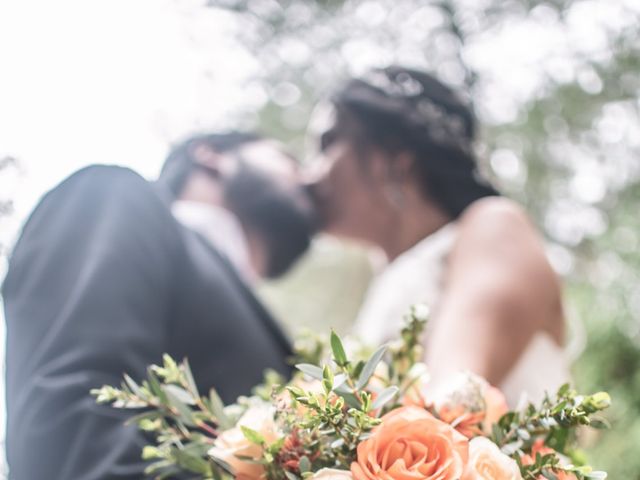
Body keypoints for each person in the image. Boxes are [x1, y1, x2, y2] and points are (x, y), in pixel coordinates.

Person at [2, 132, 316, 479]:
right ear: (210, 156)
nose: (307, 178)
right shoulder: (112, 197)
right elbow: (75, 425)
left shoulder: (263, 316)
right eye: (288, 160)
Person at [307, 66, 570, 406]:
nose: (310, 176)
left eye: (328, 143)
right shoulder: (385, 282)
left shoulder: (495, 225)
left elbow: (453, 401)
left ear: (393, 157)